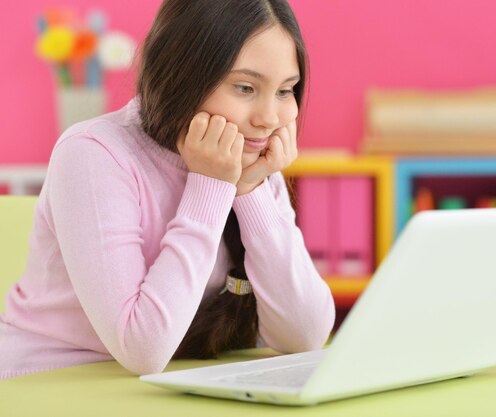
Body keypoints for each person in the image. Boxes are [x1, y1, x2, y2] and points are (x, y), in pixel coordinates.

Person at [0, 0, 335, 379]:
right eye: (245, 87)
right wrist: (210, 186)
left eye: (286, 90)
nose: (269, 118)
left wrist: (249, 188)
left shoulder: (248, 155)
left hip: (175, 384)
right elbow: (142, 348)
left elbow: (305, 335)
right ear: (182, 75)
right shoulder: (94, 153)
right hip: (56, 379)